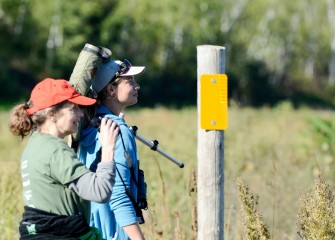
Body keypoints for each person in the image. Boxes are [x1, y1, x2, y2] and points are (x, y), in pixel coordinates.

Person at [9, 78, 119, 239]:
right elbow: (99, 192)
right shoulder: (55, 150)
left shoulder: (36, 144)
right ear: (51, 113)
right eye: (73, 109)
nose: (81, 114)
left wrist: (101, 156)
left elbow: (78, 187)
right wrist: (109, 149)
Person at [77, 59, 146, 240]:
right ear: (110, 90)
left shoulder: (87, 125)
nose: (137, 86)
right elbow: (119, 196)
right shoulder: (117, 130)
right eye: (129, 80)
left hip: (92, 229)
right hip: (114, 230)